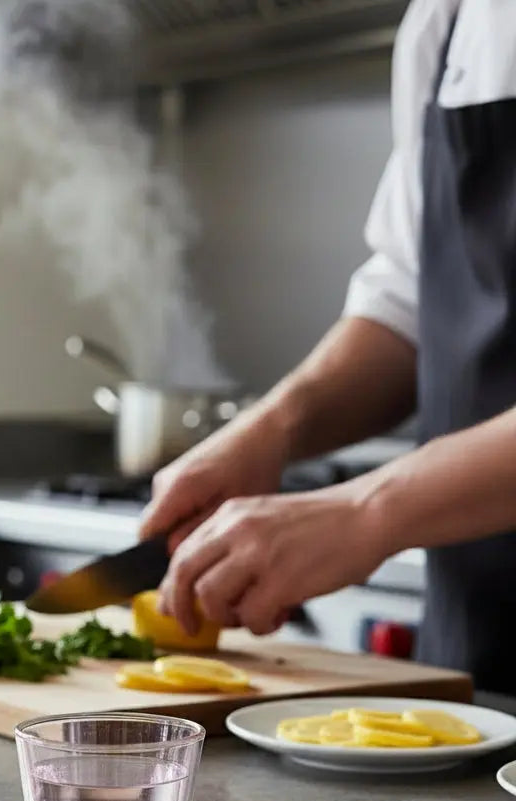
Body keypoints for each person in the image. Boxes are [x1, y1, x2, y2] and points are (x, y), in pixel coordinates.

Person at [140, 0, 516, 692]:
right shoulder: (445, 19)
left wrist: (368, 508)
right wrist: (272, 427)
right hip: (480, 655)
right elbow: (407, 300)